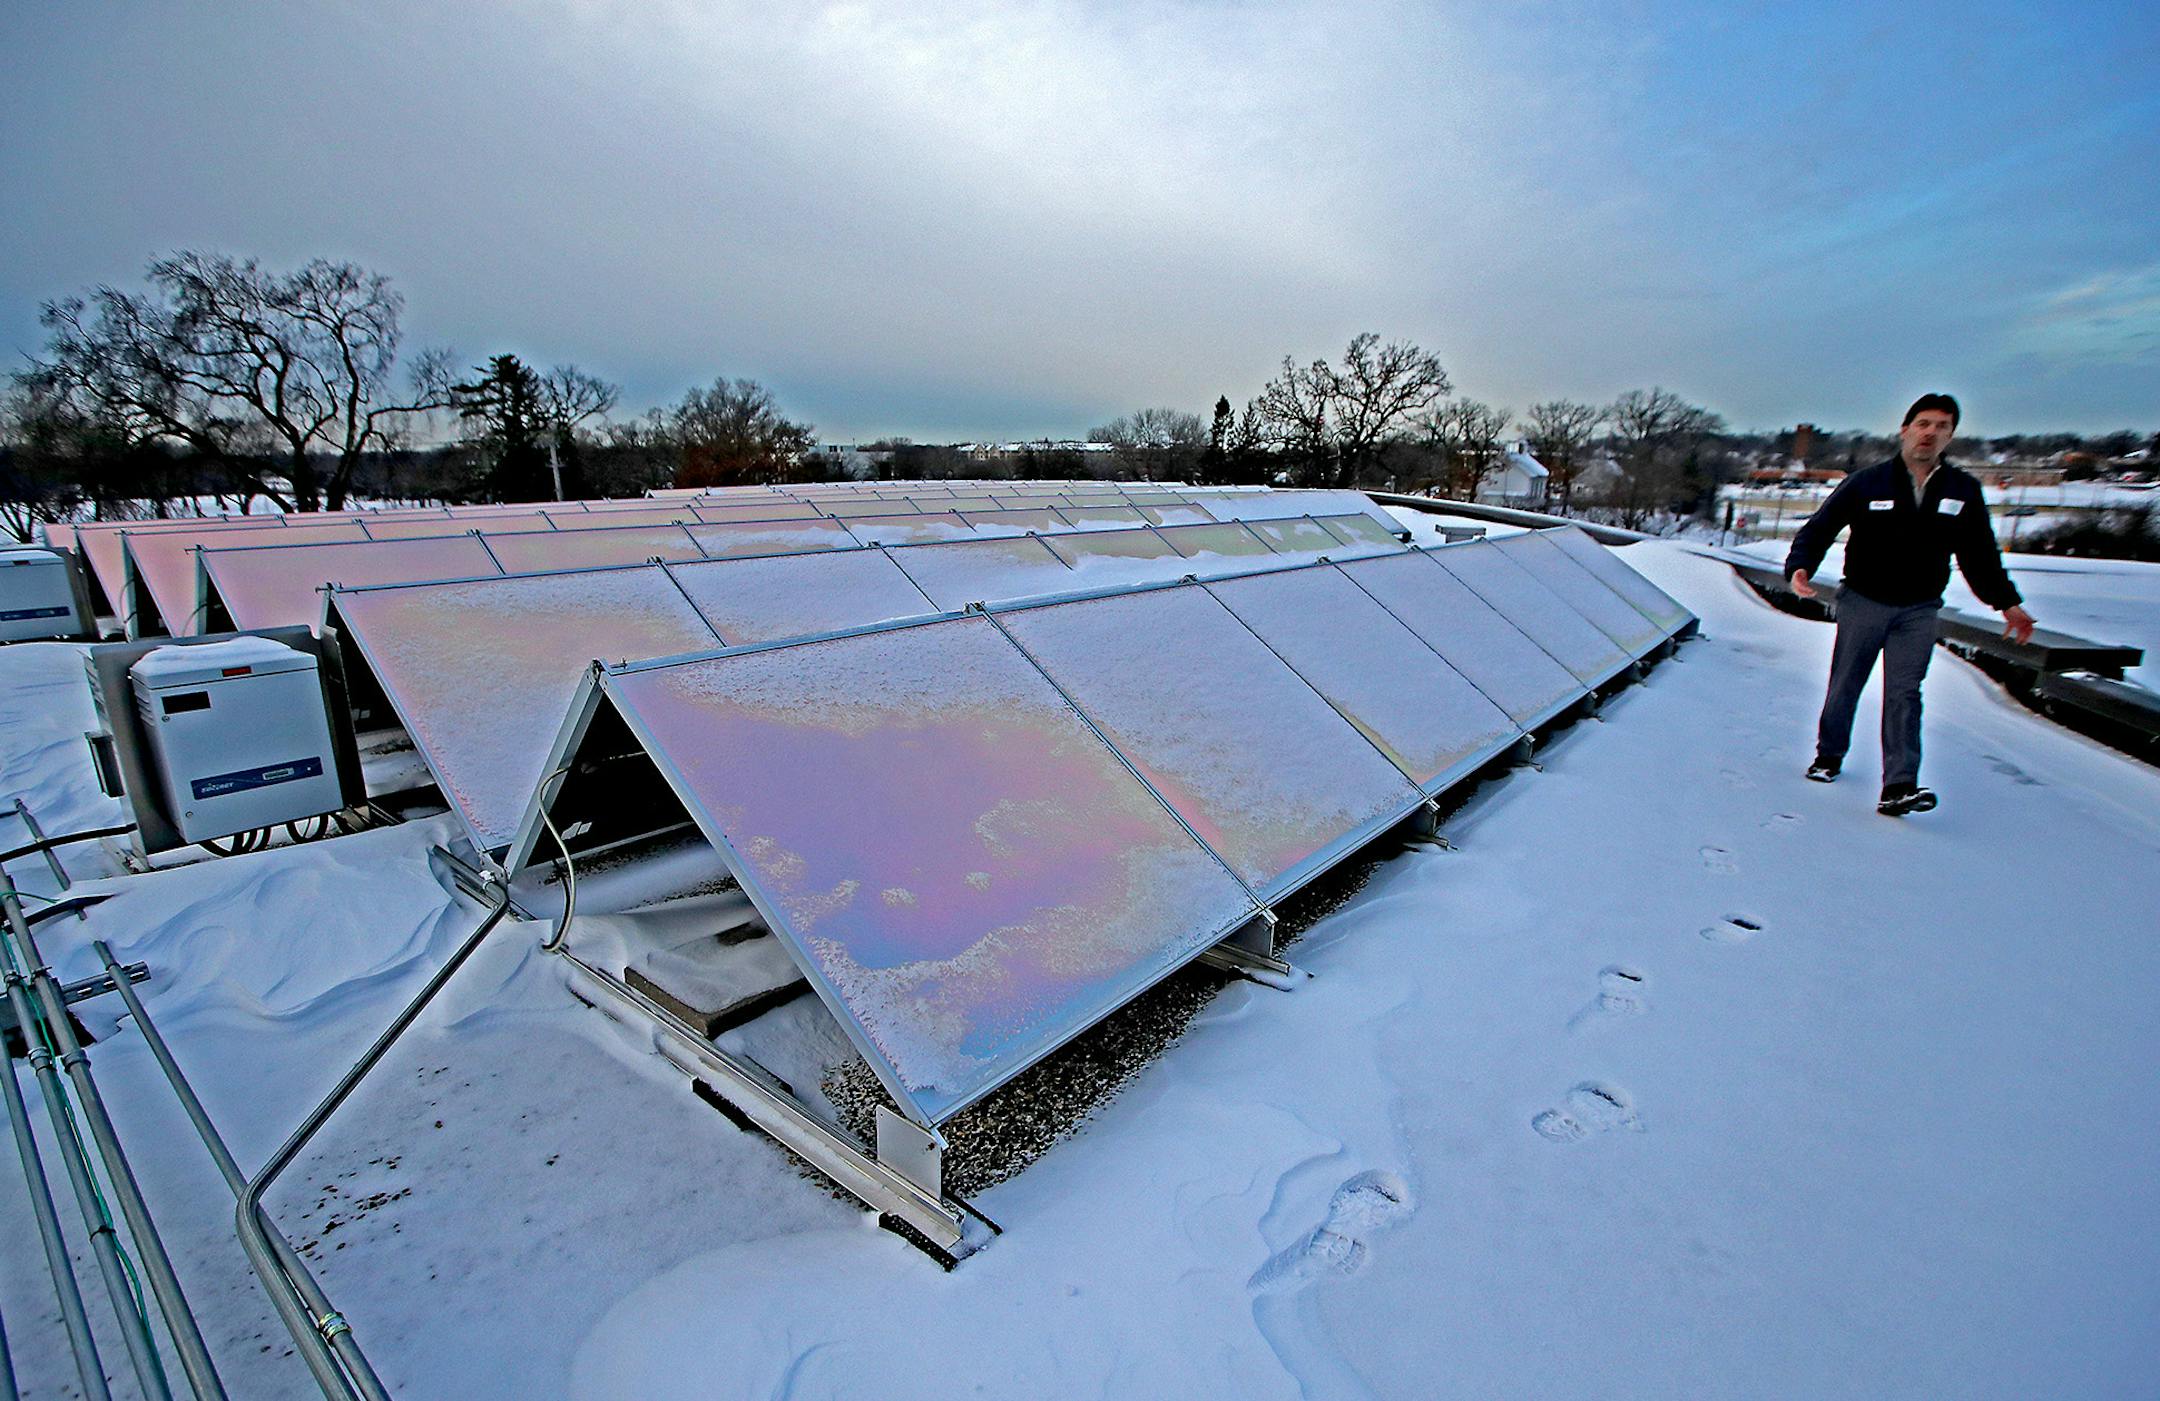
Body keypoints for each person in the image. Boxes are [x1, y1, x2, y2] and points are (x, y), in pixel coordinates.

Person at [1784, 393, 2036, 816]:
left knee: (1905, 693)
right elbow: (1820, 527)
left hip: (1919, 609)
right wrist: (1800, 567)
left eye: (1941, 426)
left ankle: (1898, 785)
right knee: (1847, 682)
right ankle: (1829, 756)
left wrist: (2007, 603)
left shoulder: (1962, 491)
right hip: (1864, 600)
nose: (1930, 433)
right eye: (1923, 423)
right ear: (1905, 429)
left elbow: (1980, 556)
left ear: (1950, 435)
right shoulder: (1868, 482)